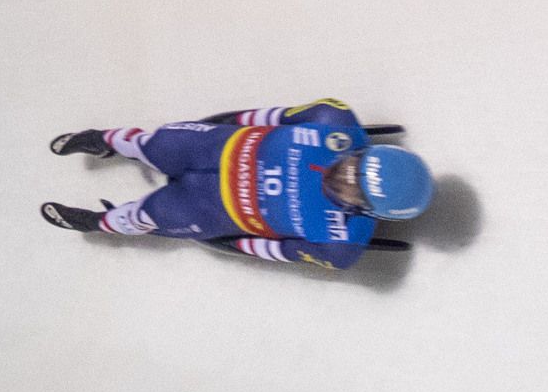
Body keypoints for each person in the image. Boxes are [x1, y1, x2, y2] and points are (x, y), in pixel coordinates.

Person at [41, 100, 432, 269]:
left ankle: (100, 222)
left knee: (153, 214)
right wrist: (219, 126)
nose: (343, 175)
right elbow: (266, 116)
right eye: (354, 164)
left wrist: (224, 240)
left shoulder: (340, 245)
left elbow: (272, 250)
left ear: (364, 210)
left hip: (211, 208)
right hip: (215, 149)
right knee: (160, 144)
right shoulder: (334, 119)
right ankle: (105, 141)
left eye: (354, 188)